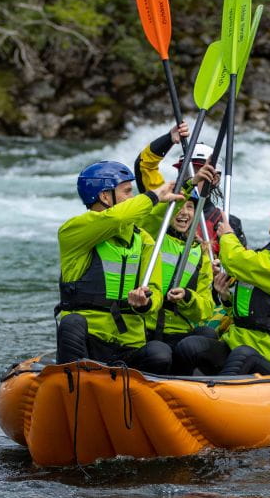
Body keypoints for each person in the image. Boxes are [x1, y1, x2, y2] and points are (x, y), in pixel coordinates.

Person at [174, 185, 270, 376]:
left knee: (242, 355)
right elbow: (253, 312)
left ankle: (220, 399)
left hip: (267, 355)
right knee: (190, 346)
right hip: (236, 342)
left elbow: (236, 260)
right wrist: (226, 298)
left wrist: (228, 235)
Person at [55, 160, 183, 373]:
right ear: (105, 196)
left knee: (159, 353)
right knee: (72, 323)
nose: (132, 198)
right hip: (90, 342)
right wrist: (153, 196)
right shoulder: (73, 231)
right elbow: (115, 218)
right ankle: (72, 385)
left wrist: (146, 303)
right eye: (127, 192)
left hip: (129, 346)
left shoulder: (143, 239)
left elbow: (156, 290)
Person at [133, 123, 245, 255]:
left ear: (215, 180)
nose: (193, 177)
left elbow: (239, 264)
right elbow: (144, 165)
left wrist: (223, 273)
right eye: (186, 172)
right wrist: (169, 139)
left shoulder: (228, 223)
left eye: (200, 173)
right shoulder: (165, 203)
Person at [138, 191, 216, 351]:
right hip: (144, 328)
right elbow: (151, 217)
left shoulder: (200, 252)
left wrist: (187, 296)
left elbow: (207, 309)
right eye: (179, 206)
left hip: (179, 331)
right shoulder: (151, 236)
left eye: (190, 207)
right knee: (159, 353)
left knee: (207, 335)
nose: (185, 212)